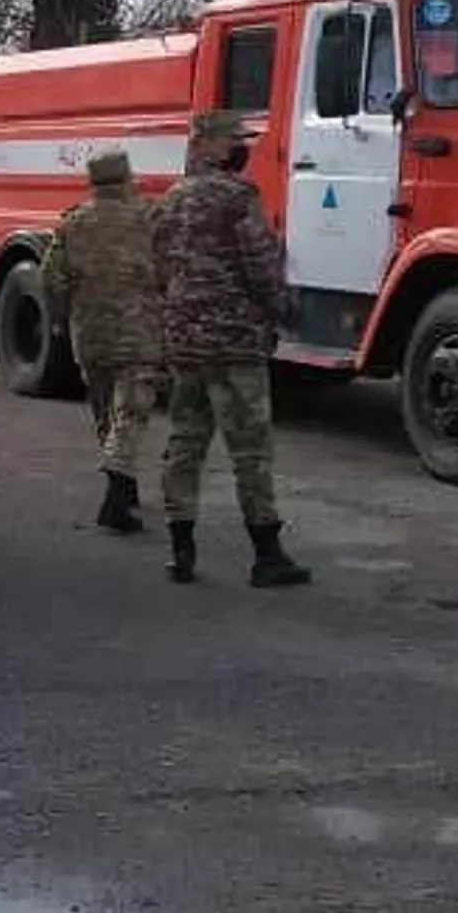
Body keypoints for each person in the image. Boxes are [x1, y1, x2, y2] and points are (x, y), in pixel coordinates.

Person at [152, 113, 310, 589]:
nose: (243, 148)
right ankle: (267, 555)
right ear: (207, 144)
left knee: (185, 443)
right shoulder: (238, 198)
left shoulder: (170, 199)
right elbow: (261, 265)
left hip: (185, 342)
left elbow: (157, 267)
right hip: (235, 342)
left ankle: (181, 549)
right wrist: (284, 309)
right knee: (250, 451)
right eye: (235, 140)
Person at [40, 147, 162, 535]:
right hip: (138, 332)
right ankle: (117, 490)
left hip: (90, 334)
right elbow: (169, 270)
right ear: (127, 178)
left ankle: (123, 485)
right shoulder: (147, 218)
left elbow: (50, 278)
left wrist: (64, 315)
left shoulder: (73, 222)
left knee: (104, 411)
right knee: (131, 413)